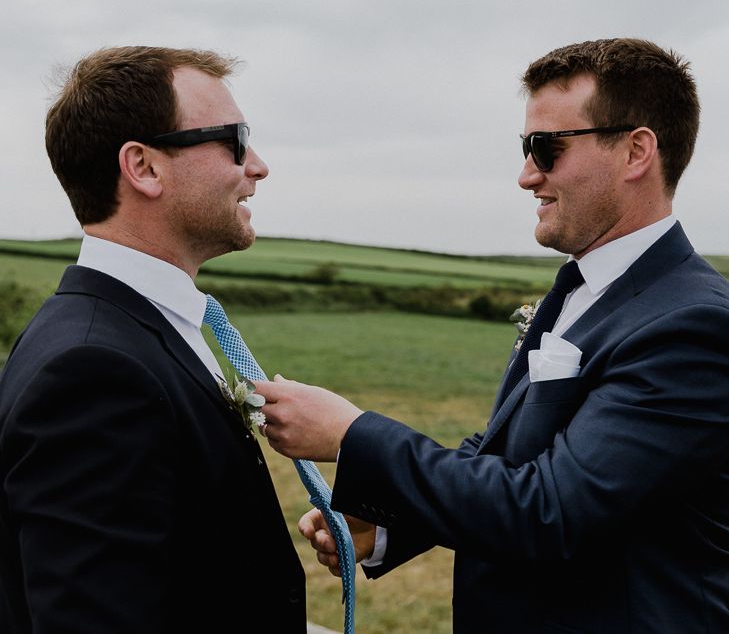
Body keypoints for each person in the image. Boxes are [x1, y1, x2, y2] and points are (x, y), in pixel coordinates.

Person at [255, 38, 729, 633]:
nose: (527, 175)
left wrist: (353, 435)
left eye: (546, 148)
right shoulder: (583, 286)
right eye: (526, 148)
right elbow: (507, 451)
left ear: (636, 152)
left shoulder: (694, 324)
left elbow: (552, 510)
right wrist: (397, 526)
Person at [0, 47, 306, 633]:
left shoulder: (121, 330)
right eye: (236, 140)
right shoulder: (93, 374)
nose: (259, 166)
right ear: (143, 167)